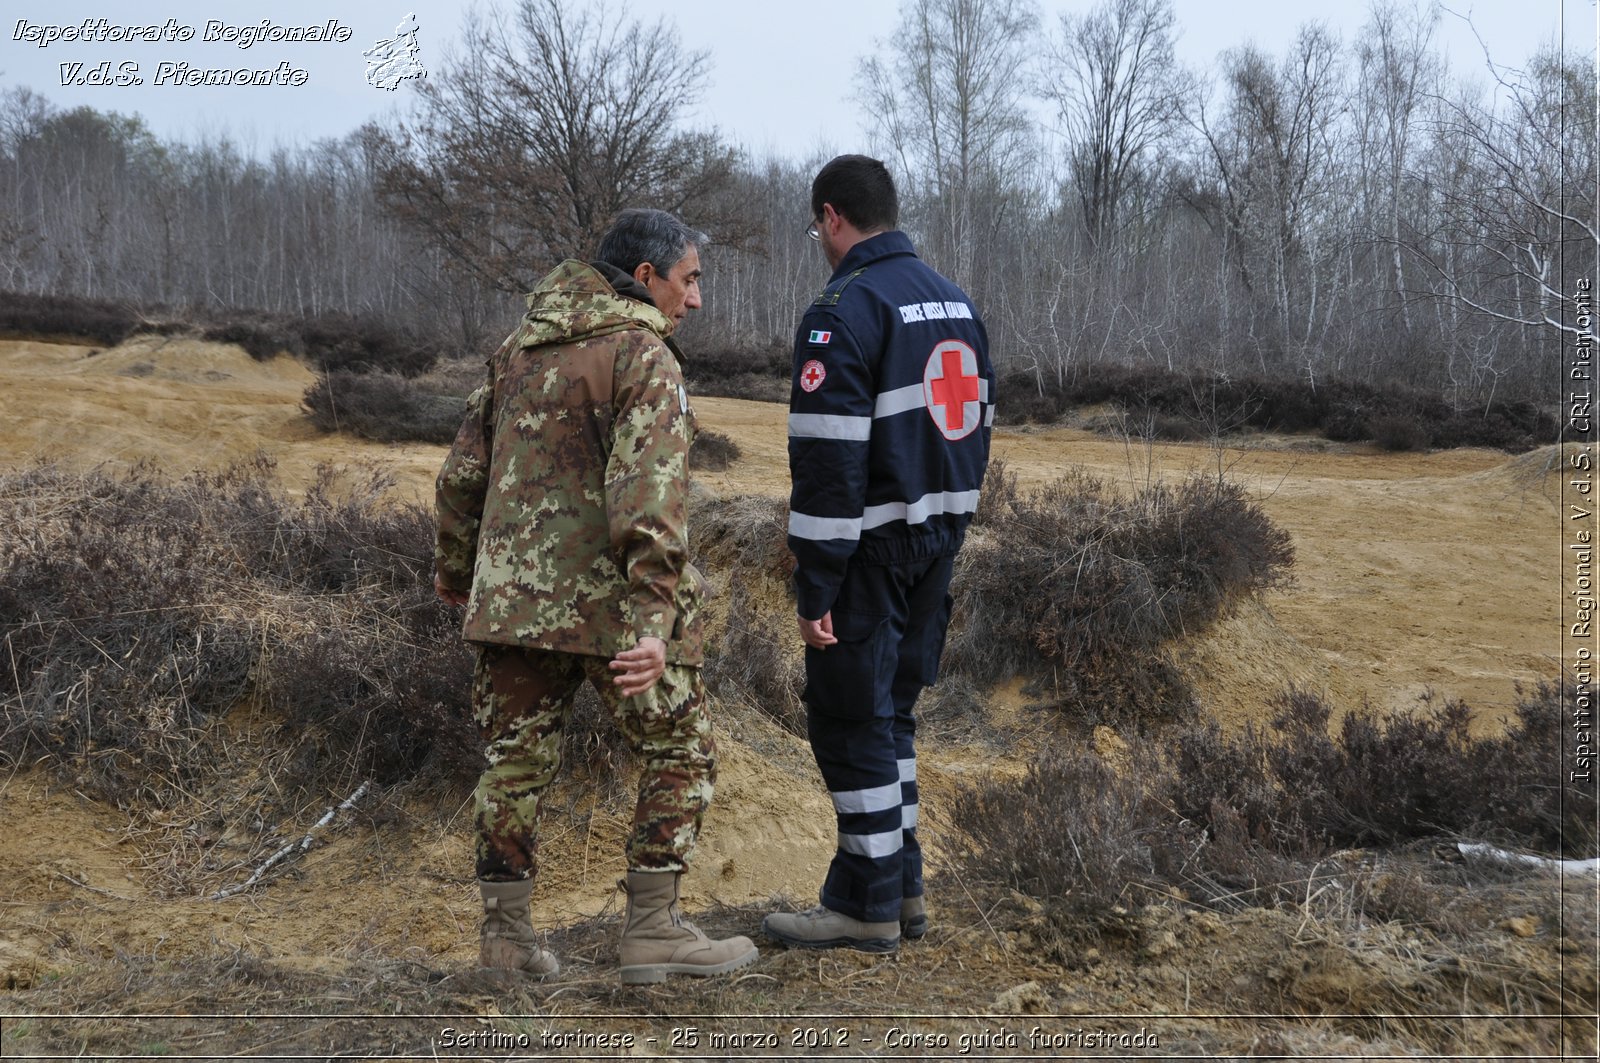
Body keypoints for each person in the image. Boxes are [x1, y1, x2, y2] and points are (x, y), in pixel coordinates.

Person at [434, 207, 758, 985]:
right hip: (611, 611)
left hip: (511, 603)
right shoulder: (643, 352)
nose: (698, 299)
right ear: (645, 278)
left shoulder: (517, 350)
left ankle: (504, 944)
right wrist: (652, 619)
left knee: (512, 765)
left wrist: (457, 577)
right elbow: (650, 493)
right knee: (682, 748)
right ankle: (653, 930)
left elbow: (461, 479)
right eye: (691, 280)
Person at [764, 155, 994, 953]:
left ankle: (865, 905)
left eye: (815, 228)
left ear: (832, 217)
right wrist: (949, 532)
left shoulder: (845, 309)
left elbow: (829, 461)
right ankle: (903, 888)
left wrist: (816, 581)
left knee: (849, 719)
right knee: (892, 715)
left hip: (870, 550)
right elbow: (975, 427)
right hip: (937, 541)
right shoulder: (957, 302)